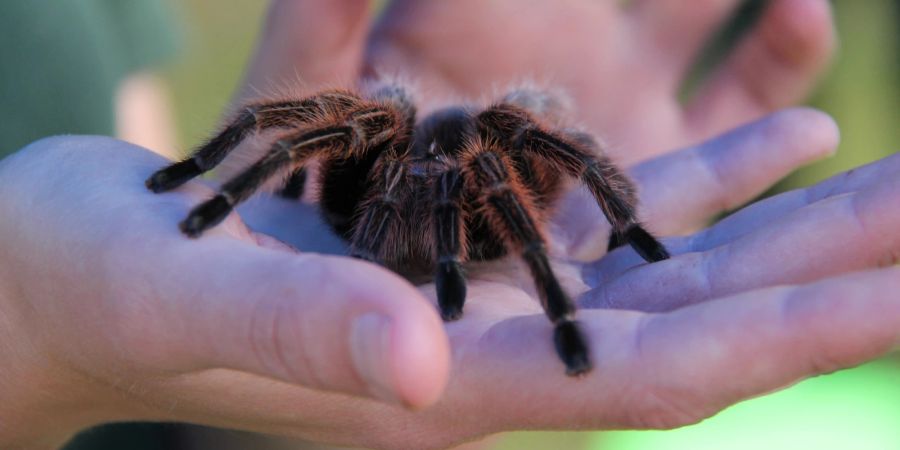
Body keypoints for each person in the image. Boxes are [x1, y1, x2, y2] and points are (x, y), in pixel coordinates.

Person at [5, 1, 898, 449]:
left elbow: (542, 159)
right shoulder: (372, 155)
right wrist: (200, 198)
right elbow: (304, 138)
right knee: (375, 112)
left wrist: (615, 236)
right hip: (353, 211)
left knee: (499, 129)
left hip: (492, 214)